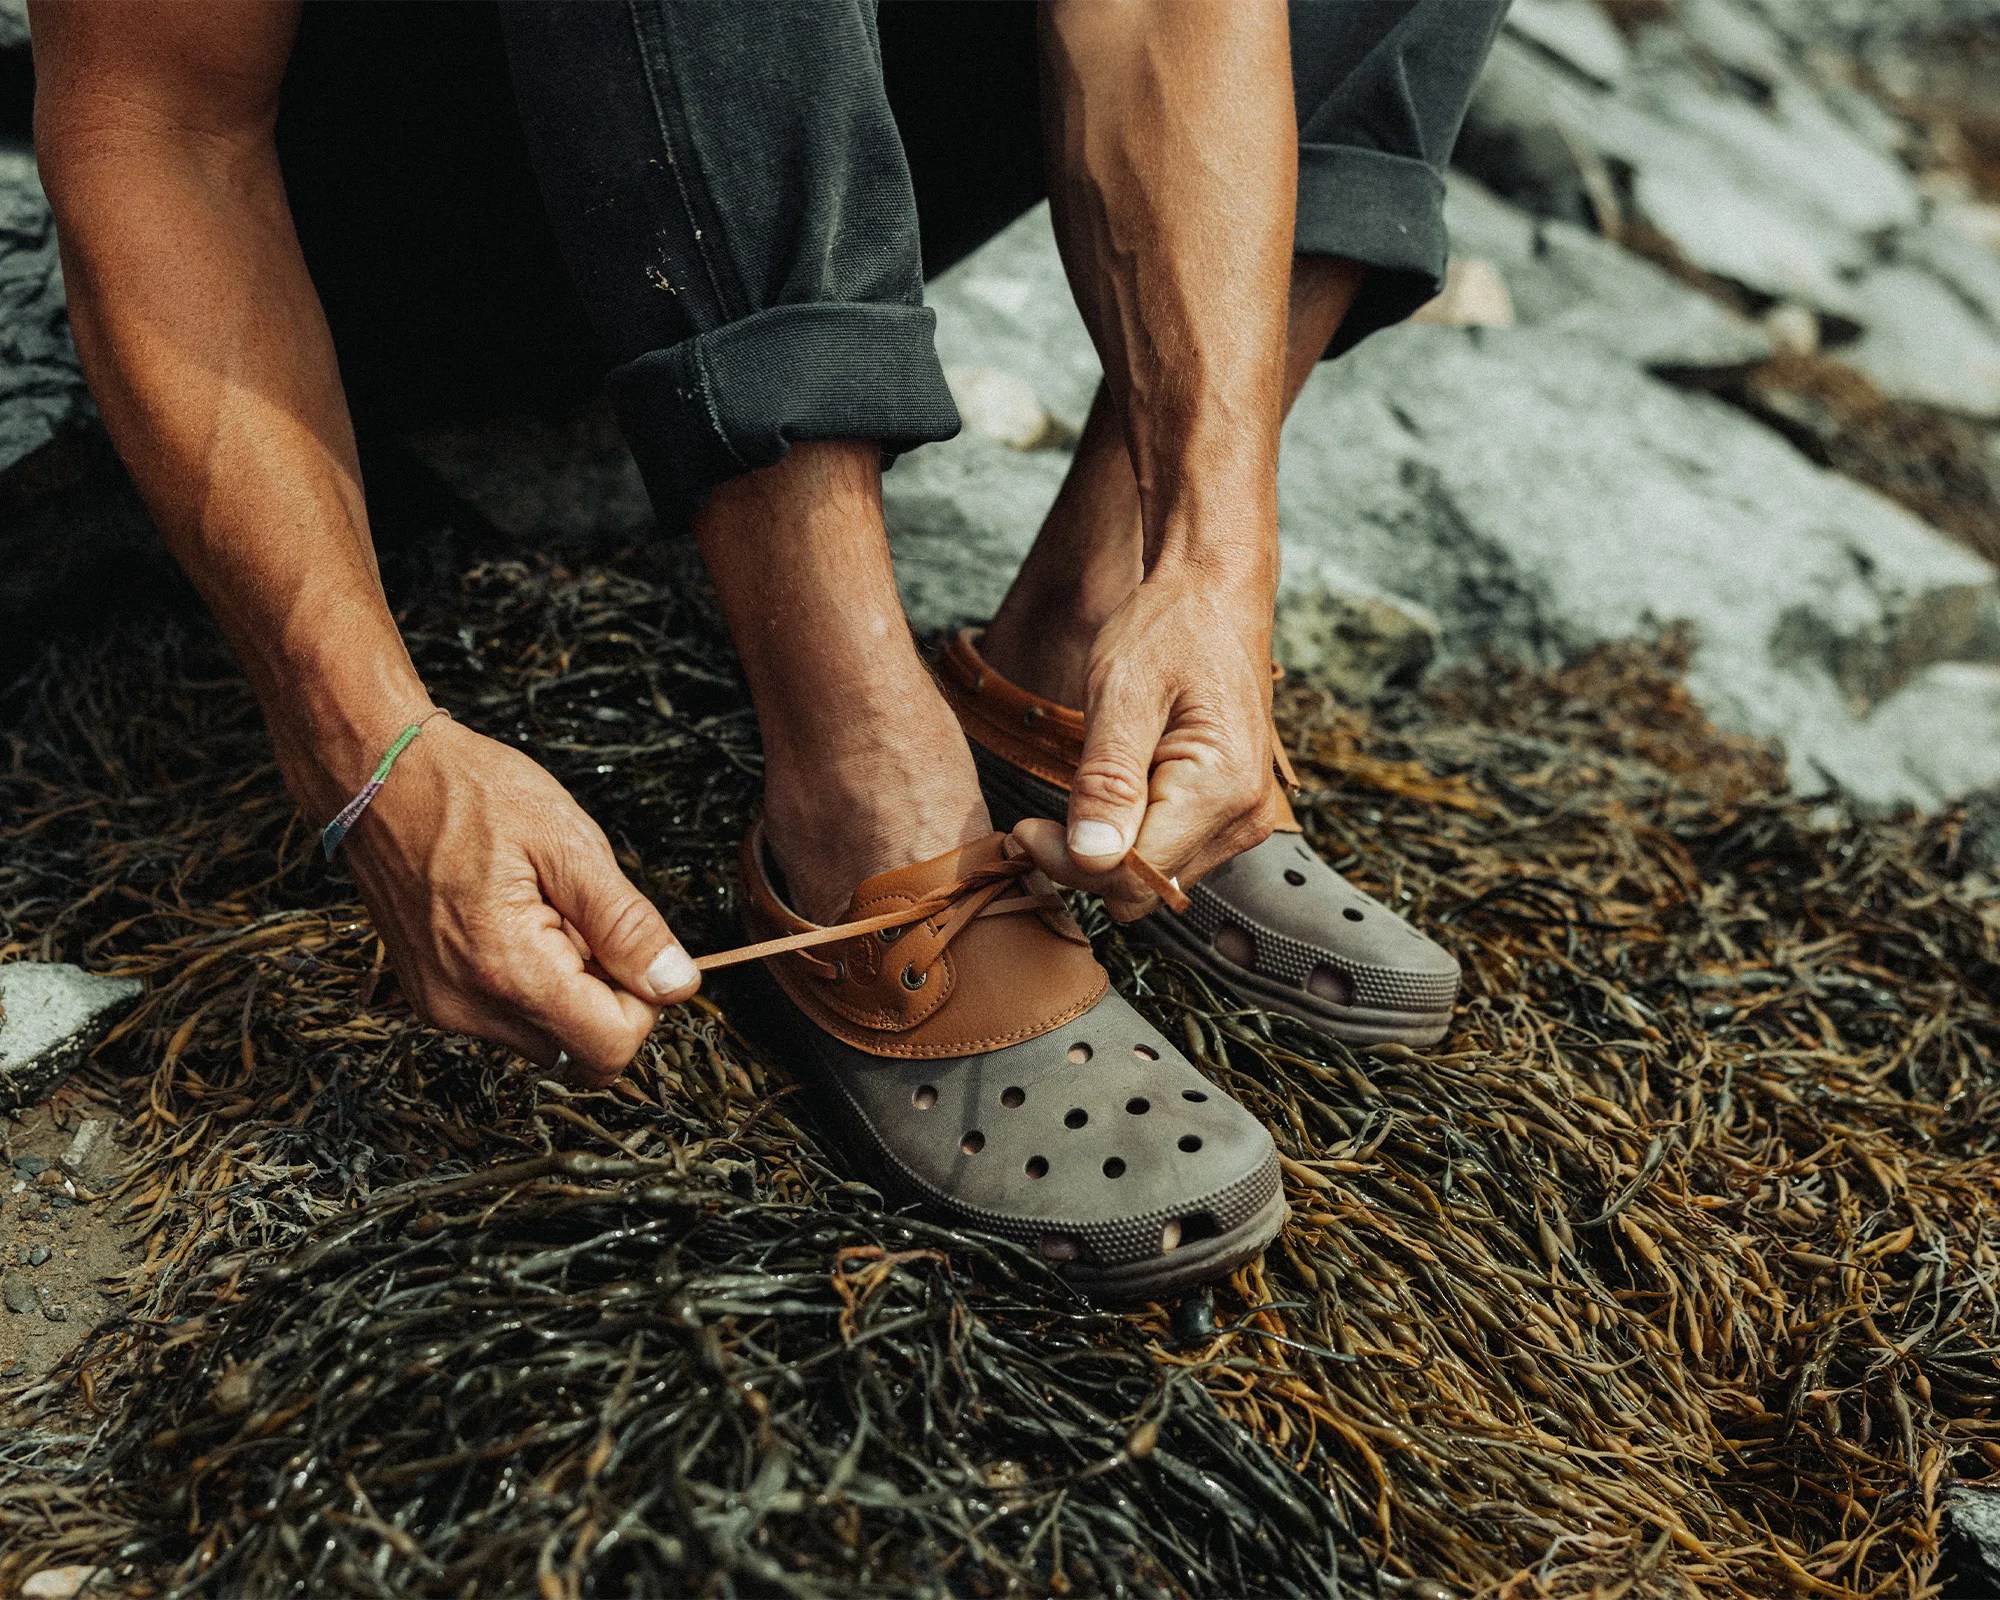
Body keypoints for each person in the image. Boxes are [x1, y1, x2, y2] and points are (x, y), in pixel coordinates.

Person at [30, 0, 1503, 1299]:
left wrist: (1211, 554)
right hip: (411, 203)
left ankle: (1087, 623)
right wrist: (370, 749)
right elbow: (155, 124)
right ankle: (860, 785)